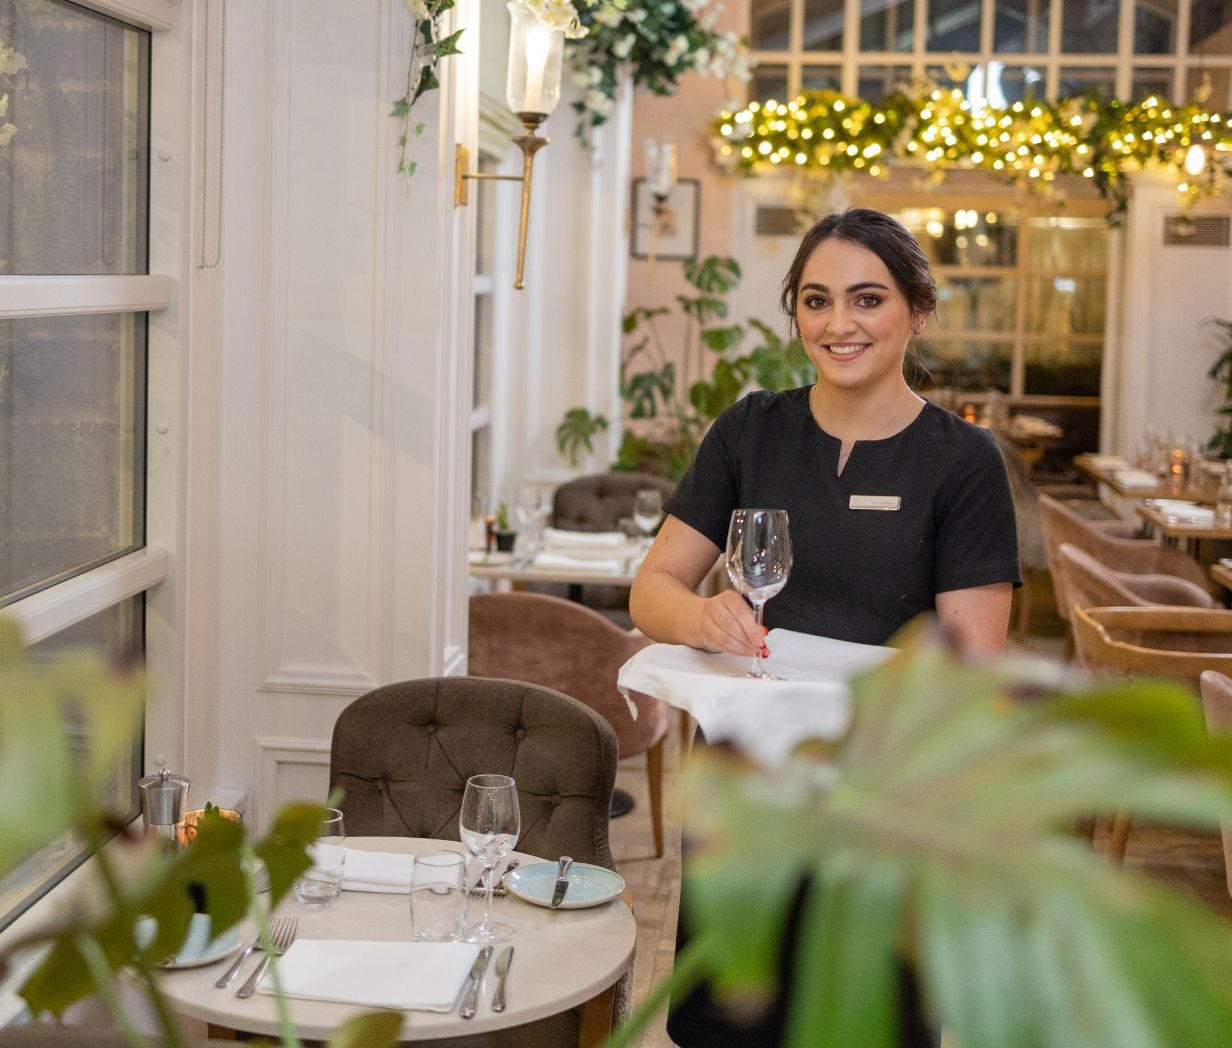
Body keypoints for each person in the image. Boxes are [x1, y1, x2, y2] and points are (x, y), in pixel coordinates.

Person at [629, 207, 1021, 1048]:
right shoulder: (750, 430)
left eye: (867, 299)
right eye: (815, 301)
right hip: (744, 804)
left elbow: (969, 662)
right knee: (727, 1028)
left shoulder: (962, 462)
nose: (838, 324)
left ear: (918, 310)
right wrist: (705, 615)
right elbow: (653, 588)